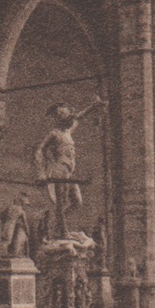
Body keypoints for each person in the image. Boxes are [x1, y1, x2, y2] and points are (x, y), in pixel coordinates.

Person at [33, 99, 102, 238]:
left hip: (69, 171)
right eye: (67, 118)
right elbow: (39, 150)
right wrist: (40, 172)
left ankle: (56, 225)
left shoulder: (68, 132)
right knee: (61, 202)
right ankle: (63, 232)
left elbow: (80, 116)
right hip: (59, 170)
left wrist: (93, 106)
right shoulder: (54, 134)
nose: (72, 121)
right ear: (60, 120)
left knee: (77, 202)